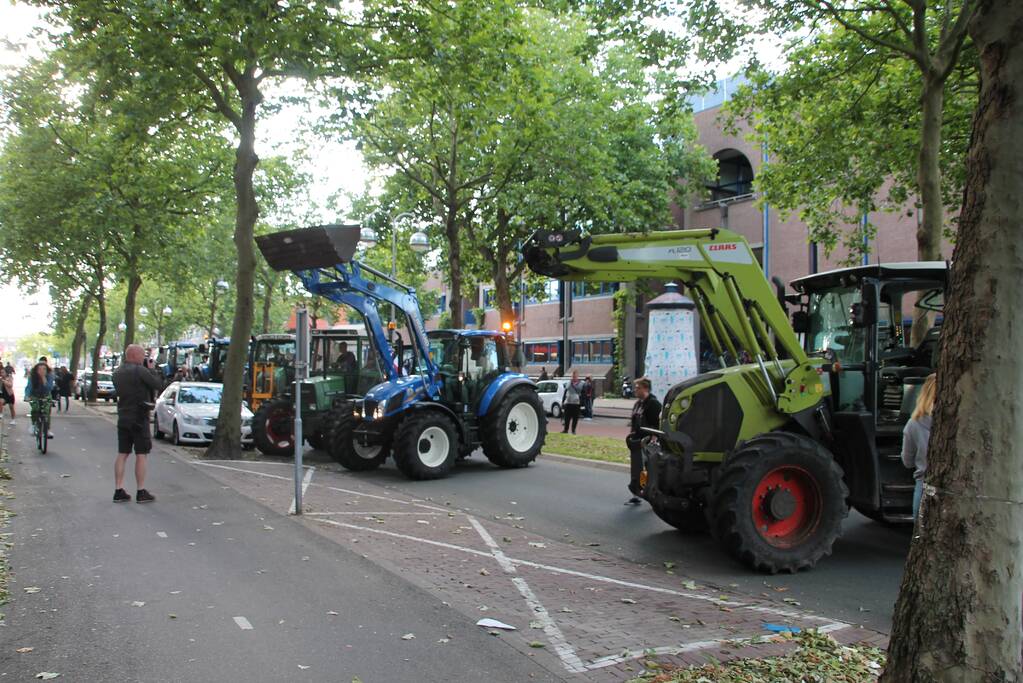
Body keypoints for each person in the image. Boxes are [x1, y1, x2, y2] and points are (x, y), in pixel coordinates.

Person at [111, 344, 162, 504]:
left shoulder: (117, 373)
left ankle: (118, 489)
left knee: (122, 453)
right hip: (139, 416)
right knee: (141, 453)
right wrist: (151, 369)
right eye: (142, 355)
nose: (143, 358)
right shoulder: (140, 370)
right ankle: (141, 491)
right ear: (134, 355)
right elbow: (157, 384)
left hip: (123, 415)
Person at [901, 373, 936, 518]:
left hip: (924, 486)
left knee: (920, 536)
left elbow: (907, 462)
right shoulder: (957, 423)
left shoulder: (913, 424)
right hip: (952, 490)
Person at [625, 377, 661, 505]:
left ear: (645, 388)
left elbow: (658, 424)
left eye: (638, 387)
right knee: (637, 469)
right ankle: (637, 493)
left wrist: (653, 439)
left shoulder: (653, 404)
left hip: (647, 443)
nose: (635, 390)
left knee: (648, 470)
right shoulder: (638, 404)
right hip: (636, 442)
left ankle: (653, 493)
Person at [25, 361, 55, 438]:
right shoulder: (32, 377)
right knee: (35, 408)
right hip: (35, 395)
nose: (42, 371)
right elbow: (29, 387)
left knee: (47, 411)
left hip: (46, 395)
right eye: (40, 369)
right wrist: (27, 396)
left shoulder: (50, 376)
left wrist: (43, 378)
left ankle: (47, 430)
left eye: (44, 369)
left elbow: (49, 388)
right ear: (36, 370)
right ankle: (33, 425)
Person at [561, 370, 583, 434]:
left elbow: (582, 393)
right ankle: (565, 430)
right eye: (573, 376)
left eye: (575, 376)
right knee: (567, 417)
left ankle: (573, 430)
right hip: (568, 403)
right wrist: (563, 401)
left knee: (575, 418)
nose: (573, 377)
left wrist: (582, 403)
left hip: (576, 403)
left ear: (577, 376)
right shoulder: (568, 383)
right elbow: (565, 392)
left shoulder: (581, 384)